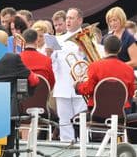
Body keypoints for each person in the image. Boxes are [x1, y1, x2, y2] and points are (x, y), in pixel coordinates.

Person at [51, 8, 87, 142]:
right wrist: (51, 54)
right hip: (62, 85)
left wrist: (83, 52)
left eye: (71, 18)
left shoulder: (86, 36)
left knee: (81, 121)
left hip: (79, 86)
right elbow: (53, 65)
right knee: (64, 121)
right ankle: (66, 144)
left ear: (80, 20)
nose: (68, 21)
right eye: (67, 18)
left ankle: (84, 145)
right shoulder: (57, 39)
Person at [75, 35, 134, 111]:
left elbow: (87, 89)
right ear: (120, 49)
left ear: (104, 49)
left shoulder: (94, 66)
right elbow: (130, 93)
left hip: (98, 112)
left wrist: (77, 86)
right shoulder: (129, 69)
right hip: (121, 112)